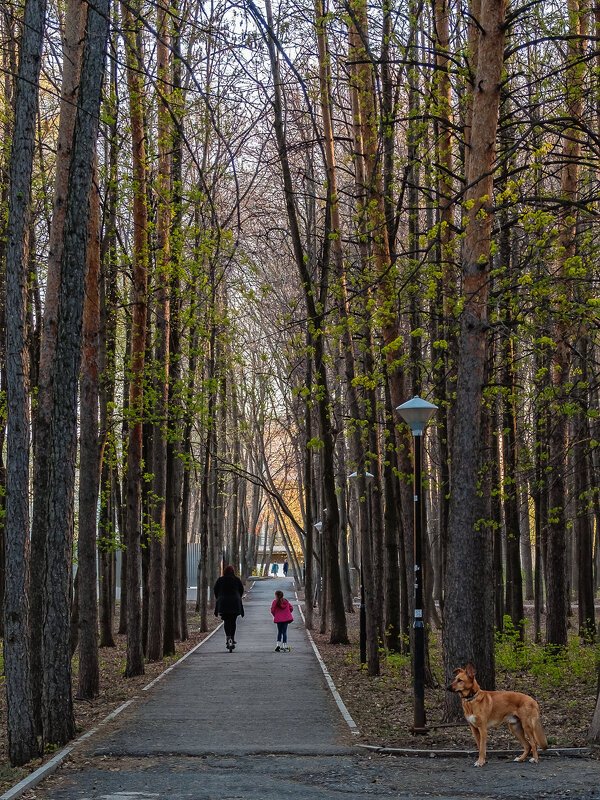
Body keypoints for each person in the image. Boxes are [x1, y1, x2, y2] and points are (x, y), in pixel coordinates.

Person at [214, 565, 244, 650]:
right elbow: (241, 590)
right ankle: (232, 638)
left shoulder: (220, 580)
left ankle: (228, 638)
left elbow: (215, 589)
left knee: (226, 621)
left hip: (224, 603)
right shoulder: (236, 580)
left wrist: (219, 598)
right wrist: (238, 597)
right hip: (235, 603)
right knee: (233, 621)